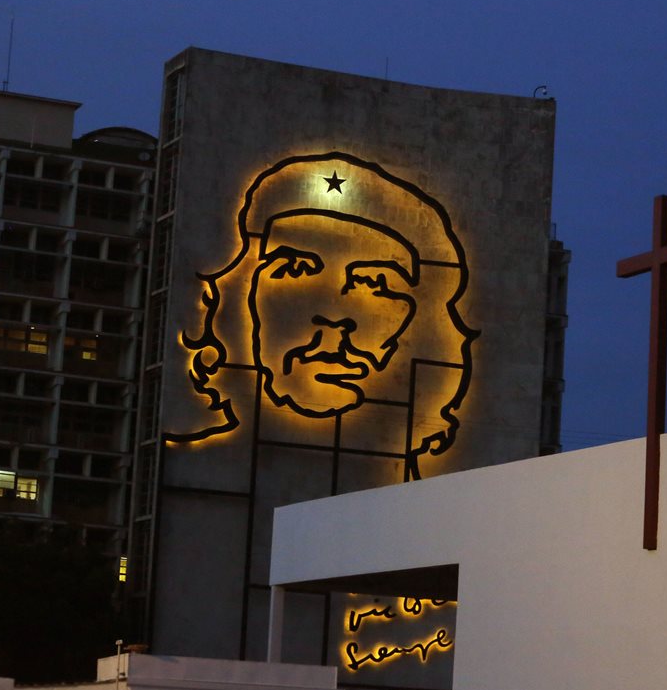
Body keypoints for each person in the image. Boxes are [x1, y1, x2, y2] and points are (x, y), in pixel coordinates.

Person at [165, 152, 475, 479]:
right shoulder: (177, 477)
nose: (333, 315)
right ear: (237, 296)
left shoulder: (447, 521)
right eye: (295, 270)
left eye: (373, 283)